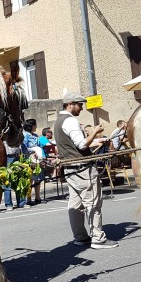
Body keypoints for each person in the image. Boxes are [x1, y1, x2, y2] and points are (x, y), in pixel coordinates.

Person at [53, 92, 118, 249]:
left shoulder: (59, 121)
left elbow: (74, 144)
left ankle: (80, 237)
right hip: (82, 169)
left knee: (75, 204)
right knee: (93, 202)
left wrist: (96, 141)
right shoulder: (70, 121)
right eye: (79, 104)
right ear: (70, 104)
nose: (82, 108)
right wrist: (95, 131)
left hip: (70, 168)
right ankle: (98, 238)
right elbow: (82, 145)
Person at [23, 119, 45, 205]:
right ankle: (28, 198)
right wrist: (33, 151)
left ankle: (37, 197)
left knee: (38, 178)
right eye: (35, 125)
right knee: (29, 179)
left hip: (37, 160)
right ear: (32, 126)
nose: (36, 126)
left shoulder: (35, 135)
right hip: (29, 160)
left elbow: (39, 146)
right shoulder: (25, 135)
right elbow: (24, 149)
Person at [2, 139, 27, 210]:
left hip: (18, 156)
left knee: (20, 179)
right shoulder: (6, 132)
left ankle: (21, 202)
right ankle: (8, 204)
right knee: (7, 180)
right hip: (8, 156)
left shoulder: (16, 132)